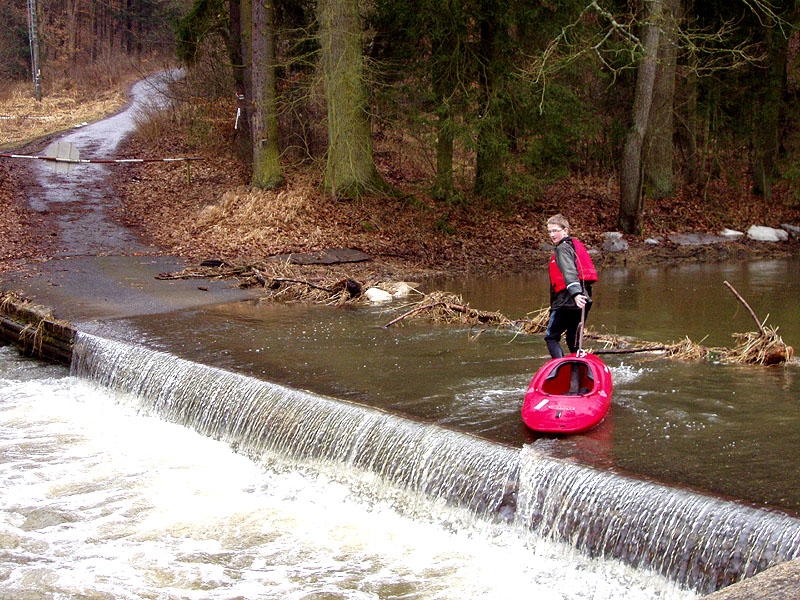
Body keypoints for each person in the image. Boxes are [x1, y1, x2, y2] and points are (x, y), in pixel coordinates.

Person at [544, 214, 597, 359]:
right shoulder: (574, 245)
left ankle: (560, 367)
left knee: (551, 337)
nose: (552, 235)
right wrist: (580, 294)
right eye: (549, 232)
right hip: (584, 299)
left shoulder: (562, 249)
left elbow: (569, 271)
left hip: (567, 300)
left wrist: (575, 293)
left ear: (565, 231)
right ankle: (577, 369)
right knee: (573, 338)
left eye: (555, 230)